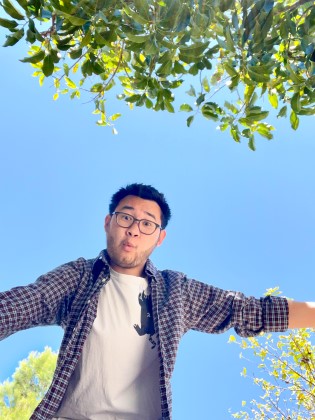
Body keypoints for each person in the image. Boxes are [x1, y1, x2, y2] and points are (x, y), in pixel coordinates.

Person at [0, 183, 314, 420]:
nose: (134, 230)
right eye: (126, 217)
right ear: (109, 222)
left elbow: (249, 311)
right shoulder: (80, 276)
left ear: (159, 237)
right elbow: (24, 304)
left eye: (147, 223)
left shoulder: (175, 291)